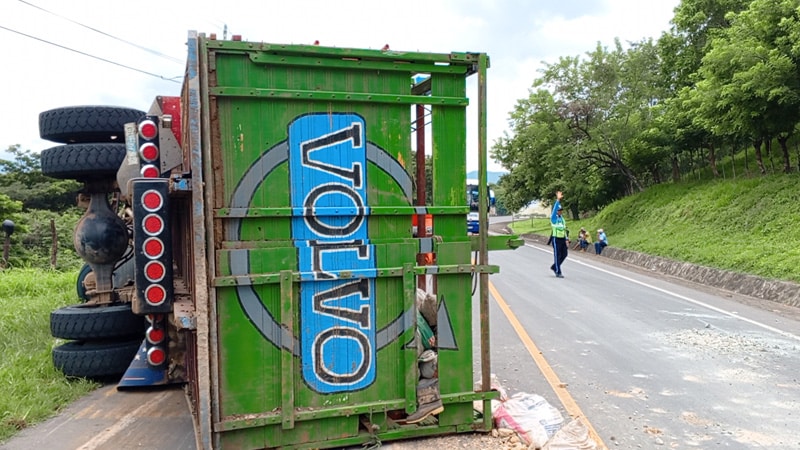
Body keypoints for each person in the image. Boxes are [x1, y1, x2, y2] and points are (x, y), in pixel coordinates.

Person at [549, 191, 568, 278]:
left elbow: (564, 229)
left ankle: (554, 266)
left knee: (564, 254)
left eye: (561, 210)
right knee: (557, 255)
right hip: (556, 239)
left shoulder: (562, 219)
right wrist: (558, 200)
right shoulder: (554, 218)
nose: (560, 211)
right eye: (559, 210)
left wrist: (567, 239)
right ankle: (558, 271)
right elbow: (553, 210)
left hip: (562, 239)